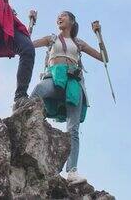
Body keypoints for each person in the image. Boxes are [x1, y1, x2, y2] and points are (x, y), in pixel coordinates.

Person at [29, 10, 108, 185]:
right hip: (54, 77)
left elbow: (103, 58)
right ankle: (27, 130)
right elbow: (27, 45)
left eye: (63, 15)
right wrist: (31, 23)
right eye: (58, 15)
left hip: (73, 83)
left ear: (71, 21)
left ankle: (72, 171)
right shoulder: (52, 39)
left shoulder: (78, 43)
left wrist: (99, 34)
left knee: (73, 128)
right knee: (37, 93)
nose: (59, 17)